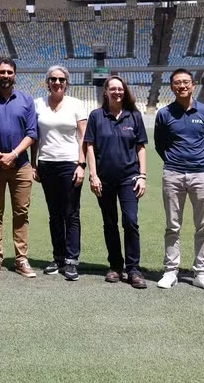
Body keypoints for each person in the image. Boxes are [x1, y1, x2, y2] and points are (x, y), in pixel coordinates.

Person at [154, 68, 204, 291]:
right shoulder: (164, 114)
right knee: (173, 225)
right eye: (177, 83)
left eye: (185, 82)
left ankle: (201, 273)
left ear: (193, 85)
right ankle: (171, 270)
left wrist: (198, 161)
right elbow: (160, 144)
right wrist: (176, 161)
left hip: (201, 174)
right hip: (172, 174)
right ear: (172, 87)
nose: (182, 86)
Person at [85, 75, 149, 289]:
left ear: (124, 91)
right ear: (106, 92)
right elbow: (90, 147)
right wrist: (93, 175)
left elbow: (141, 147)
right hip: (104, 179)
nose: (117, 92)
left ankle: (133, 269)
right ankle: (115, 266)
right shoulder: (96, 116)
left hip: (129, 178)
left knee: (130, 221)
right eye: (112, 89)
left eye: (120, 89)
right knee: (110, 223)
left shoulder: (134, 116)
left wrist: (143, 175)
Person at [0, 58, 38, 278]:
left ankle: (21, 259)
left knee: (21, 212)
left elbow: (32, 133)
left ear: (15, 75)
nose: (5, 75)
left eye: (9, 72)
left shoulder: (26, 100)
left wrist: (13, 154)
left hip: (21, 165)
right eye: (2, 72)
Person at [31, 65, 87, 281]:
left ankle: (72, 260)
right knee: (54, 214)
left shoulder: (76, 104)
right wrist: (34, 163)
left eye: (61, 79)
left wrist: (81, 165)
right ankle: (59, 257)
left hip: (69, 164)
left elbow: (83, 137)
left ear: (67, 82)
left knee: (71, 213)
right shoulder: (38, 104)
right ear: (47, 82)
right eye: (53, 79)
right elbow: (34, 137)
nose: (57, 83)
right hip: (47, 164)